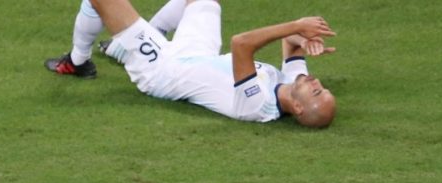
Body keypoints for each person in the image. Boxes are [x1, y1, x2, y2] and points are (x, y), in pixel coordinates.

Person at [44, 0, 338, 128]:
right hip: (198, 55)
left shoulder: (258, 105)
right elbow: (291, 45)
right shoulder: (293, 86)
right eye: (321, 87)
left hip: (164, 71)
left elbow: (241, 44)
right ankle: (151, 33)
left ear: (298, 108)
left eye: (316, 92)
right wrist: (303, 40)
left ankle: (77, 62)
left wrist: (295, 25)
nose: (315, 82)